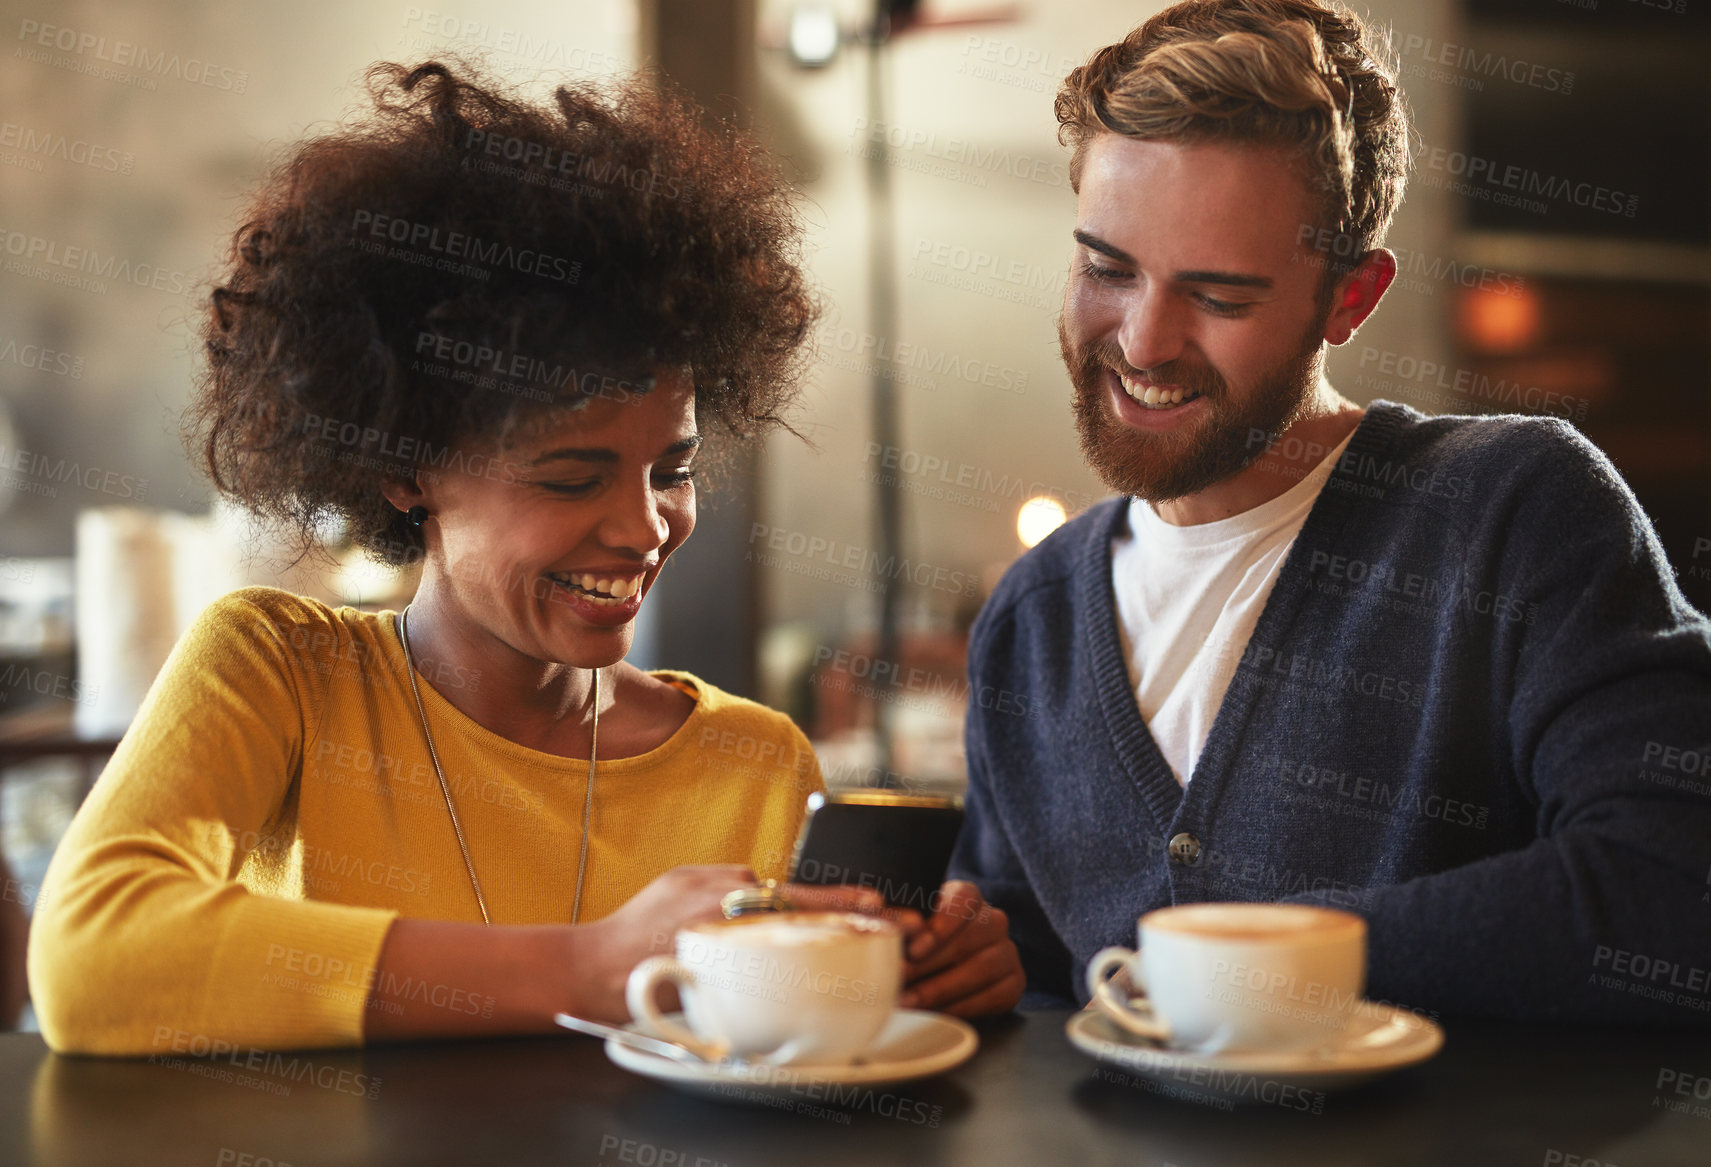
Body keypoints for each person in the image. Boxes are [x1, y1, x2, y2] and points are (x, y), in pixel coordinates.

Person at [28, 60, 1019, 1056]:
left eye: (669, 469)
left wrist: (922, 975)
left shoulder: (754, 766)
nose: (643, 528)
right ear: (405, 468)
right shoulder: (282, 675)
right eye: (571, 476)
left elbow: (789, 1063)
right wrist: (590, 966)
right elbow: (92, 959)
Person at [950, 0, 1711, 1021]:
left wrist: (1261, 962)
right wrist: (974, 965)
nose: (1141, 341)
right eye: (1105, 267)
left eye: (1217, 297)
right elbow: (1041, 972)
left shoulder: (1512, 512)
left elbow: (1671, 886)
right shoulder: (1032, 615)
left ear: (1350, 299)